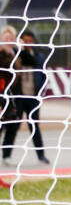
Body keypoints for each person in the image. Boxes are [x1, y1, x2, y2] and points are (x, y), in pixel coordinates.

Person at [0, 27, 49, 166]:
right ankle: (6, 153)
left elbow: (32, 62)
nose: (9, 41)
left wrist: (21, 49)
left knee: (34, 126)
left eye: (11, 38)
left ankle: (41, 155)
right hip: (11, 96)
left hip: (31, 96)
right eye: (6, 38)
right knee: (10, 125)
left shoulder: (18, 53)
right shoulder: (2, 54)